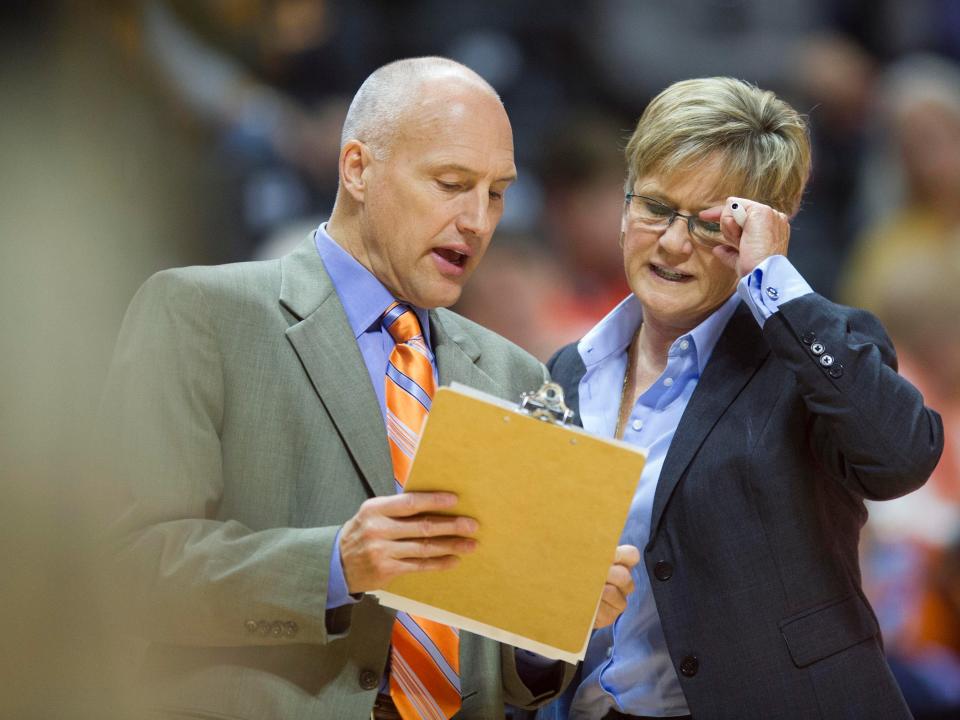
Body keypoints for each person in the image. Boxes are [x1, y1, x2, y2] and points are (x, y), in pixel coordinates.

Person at [101, 57, 638, 720]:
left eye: (496, 193)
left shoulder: (515, 375)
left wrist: (555, 623)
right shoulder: (201, 313)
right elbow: (123, 570)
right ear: (357, 168)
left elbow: (508, 670)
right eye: (451, 183)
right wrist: (333, 564)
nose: (477, 219)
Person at [542, 77, 944, 719]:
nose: (673, 243)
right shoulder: (564, 373)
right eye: (655, 207)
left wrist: (775, 283)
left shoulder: (808, 354)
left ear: (762, 231)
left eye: (711, 224)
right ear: (623, 203)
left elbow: (901, 457)